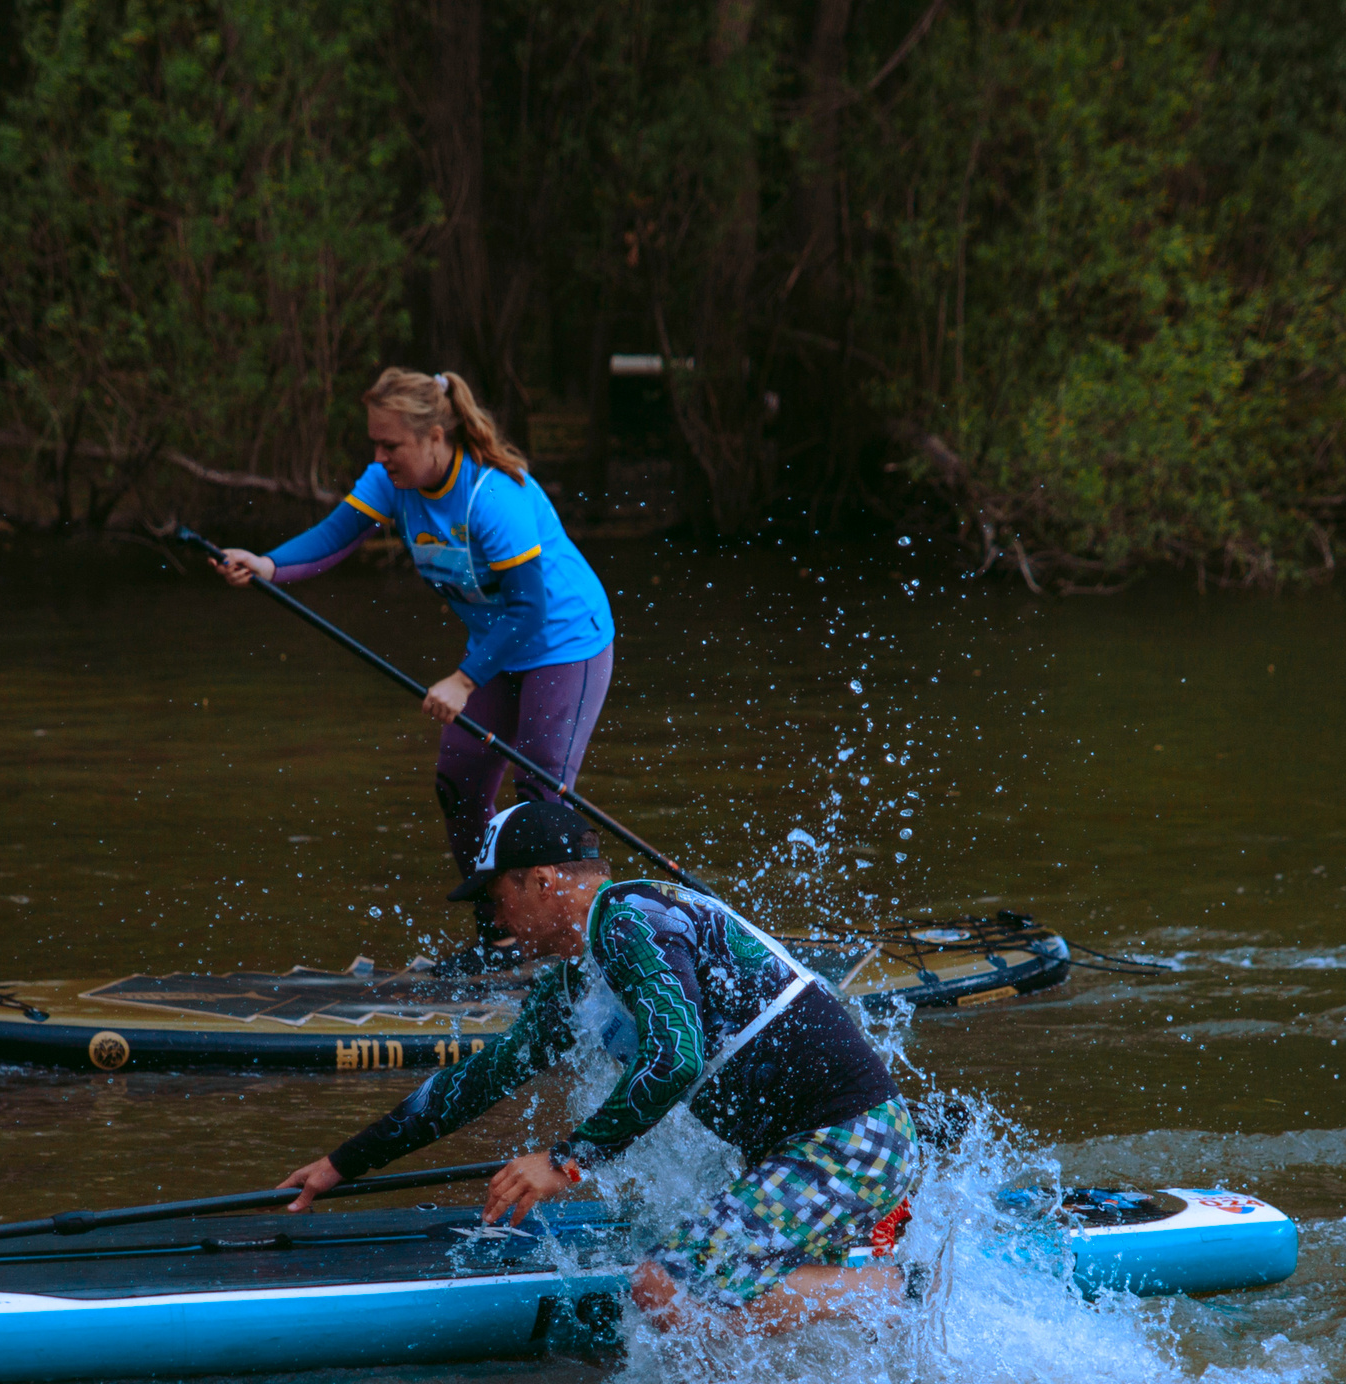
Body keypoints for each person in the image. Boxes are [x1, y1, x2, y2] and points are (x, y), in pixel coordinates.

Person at [274, 801, 921, 1333]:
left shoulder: (630, 919)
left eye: (494, 900)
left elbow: (676, 1058)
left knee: (661, 1288)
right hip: (795, 1152)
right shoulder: (574, 984)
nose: (492, 923)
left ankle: (898, 1293)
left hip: (849, 1141)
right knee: (676, 1296)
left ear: (543, 881)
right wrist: (340, 1165)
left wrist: (564, 1163)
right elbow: (475, 1082)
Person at [211, 367, 615, 967]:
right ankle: (500, 940)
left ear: (434, 436)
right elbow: (335, 536)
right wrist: (267, 565)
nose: (380, 456)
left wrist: (464, 679)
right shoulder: (392, 483)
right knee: (459, 779)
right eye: (375, 443)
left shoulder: (493, 496)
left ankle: (565, 951)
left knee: (539, 802)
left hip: (565, 643)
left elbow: (530, 610)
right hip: (497, 650)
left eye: (390, 444)